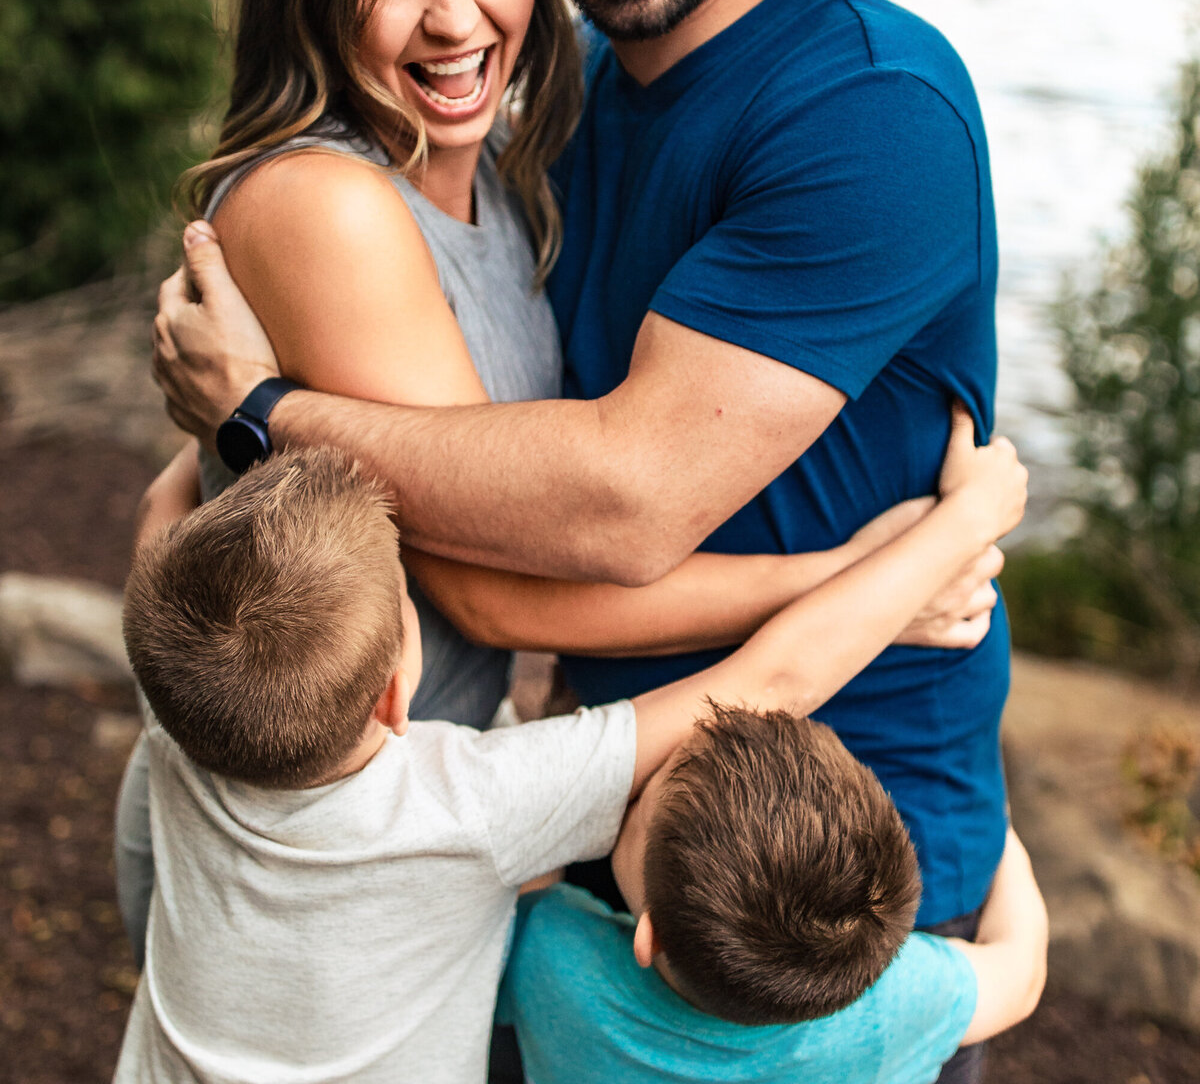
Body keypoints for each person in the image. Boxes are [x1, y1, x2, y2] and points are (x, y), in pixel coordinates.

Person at [155, 0, 1010, 1081]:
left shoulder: (867, 110)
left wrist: (263, 411)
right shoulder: (590, 85)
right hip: (600, 826)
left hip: (811, 868)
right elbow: (507, 540)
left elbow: (614, 500)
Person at [115, 425, 1026, 1084]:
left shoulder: (177, 720)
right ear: (400, 688)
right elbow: (776, 678)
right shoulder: (474, 808)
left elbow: (163, 515)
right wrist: (963, 521)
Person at [500, 729, 1047, 1084]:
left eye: (643, 795)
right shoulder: (891, 1011)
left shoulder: (549, 953)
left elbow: (524, 867)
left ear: (652, 936)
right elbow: (1020, 977)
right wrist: (1000, 829)